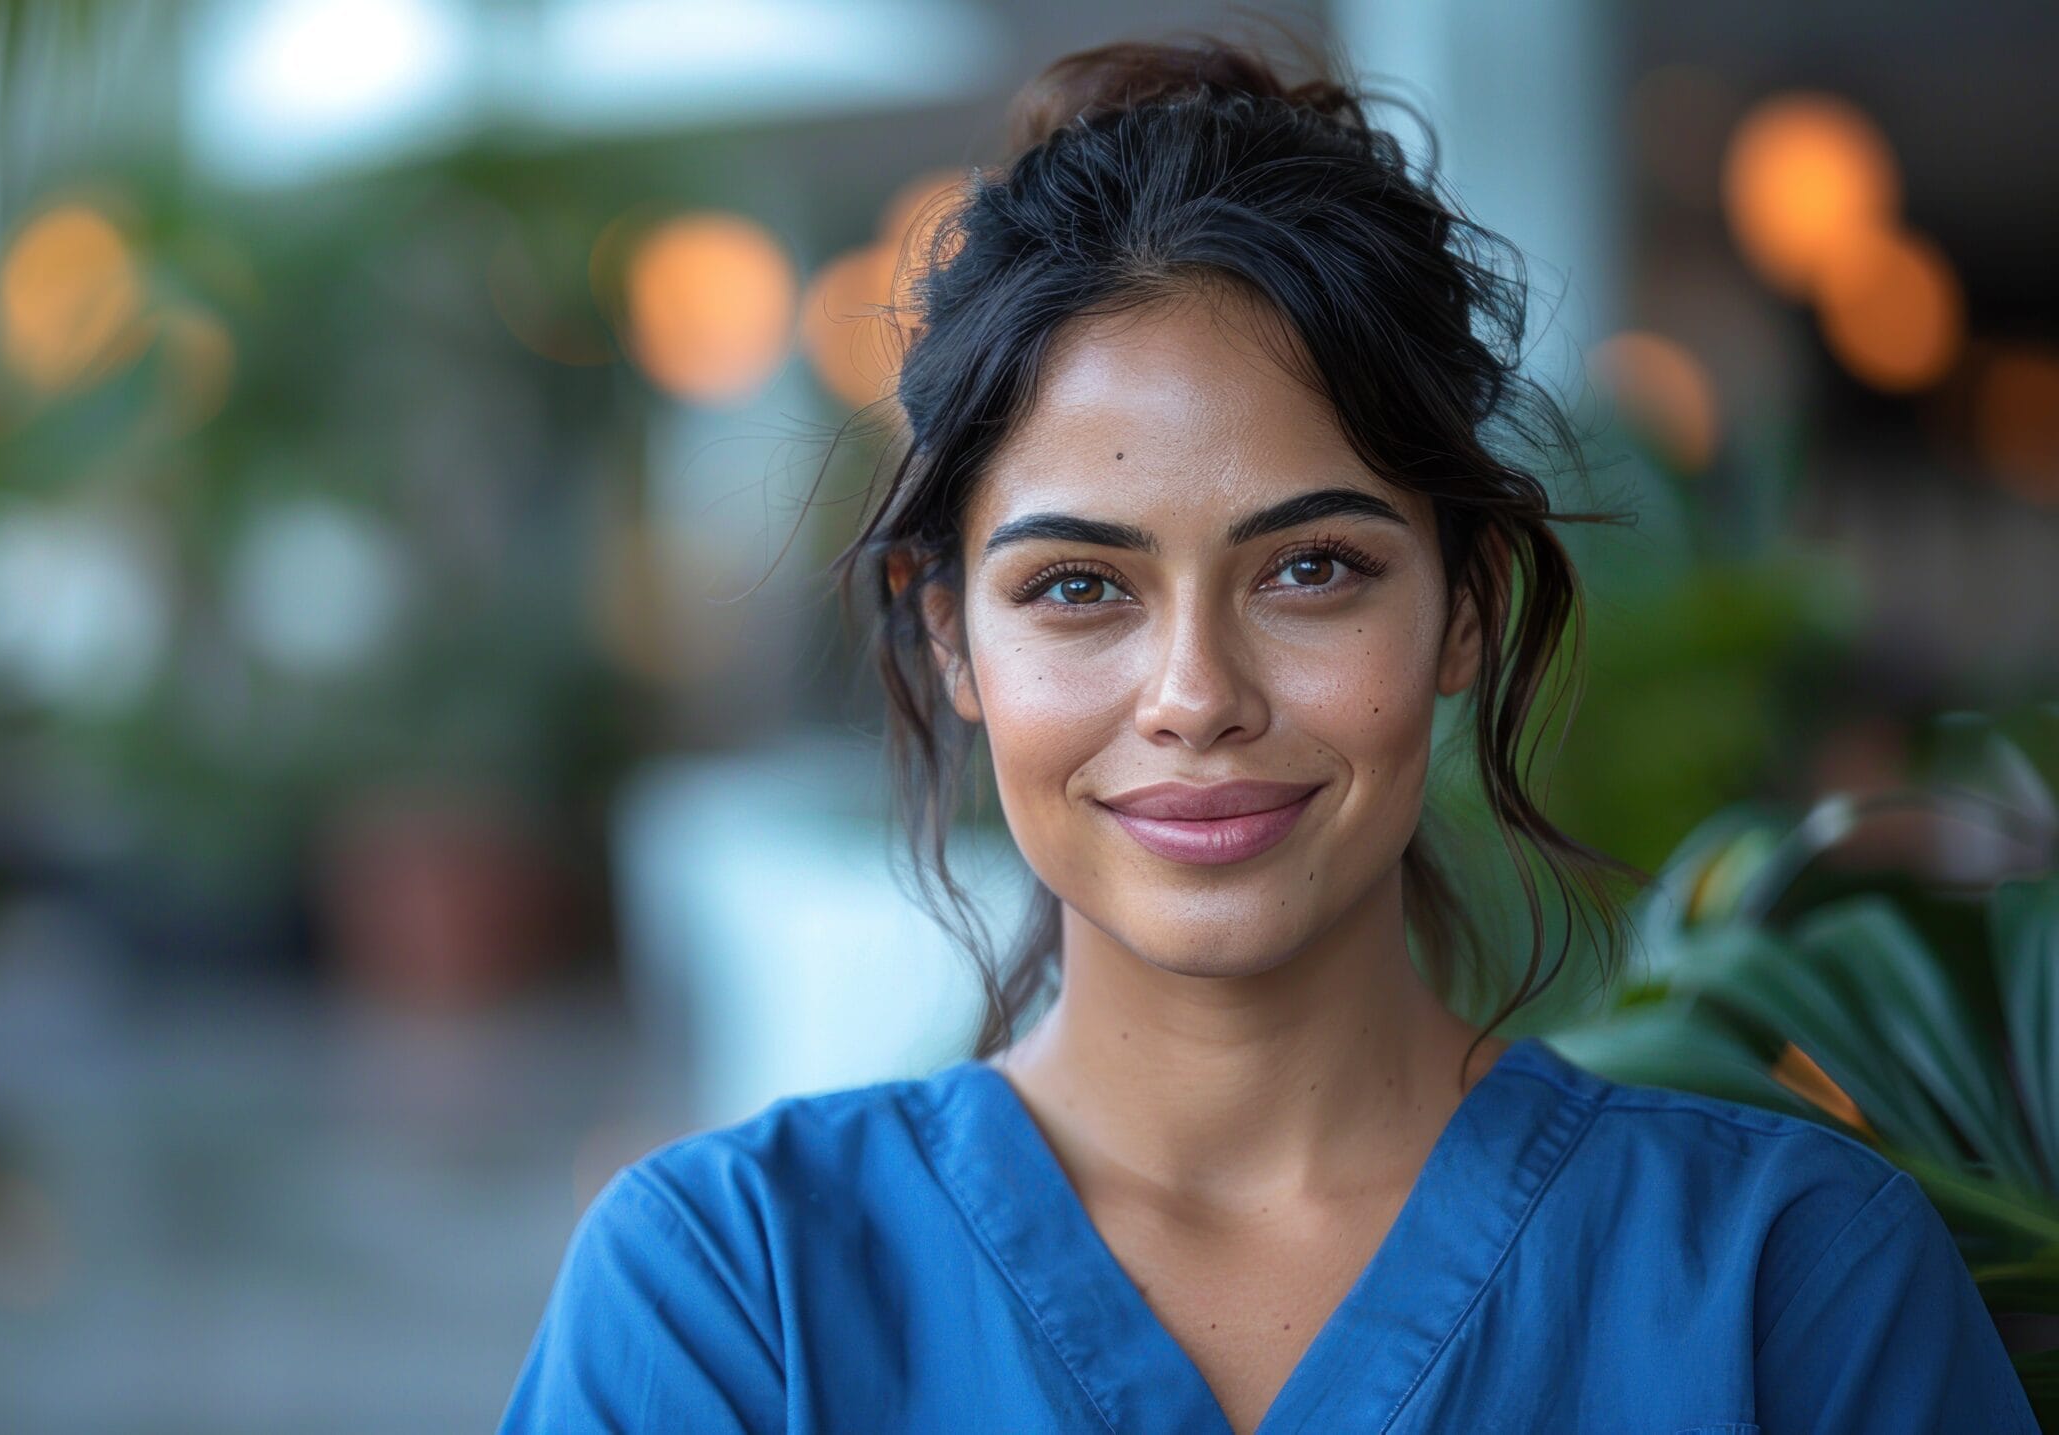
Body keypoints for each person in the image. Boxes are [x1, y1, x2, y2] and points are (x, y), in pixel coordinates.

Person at [498, 28, 2040, 1435]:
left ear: (1465, 611)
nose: (1196, 693)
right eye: (1080, 585)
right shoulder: (731, 1296)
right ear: (946, 631)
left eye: (1312, 569)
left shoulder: (1789, 1285)